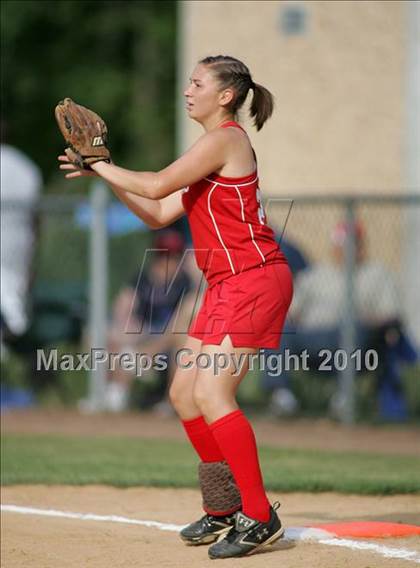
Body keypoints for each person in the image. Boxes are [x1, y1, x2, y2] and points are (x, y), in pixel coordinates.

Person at [59, 54, 293, 559]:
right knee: (185, 392)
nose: (188, 90)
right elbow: (158, 211)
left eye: (197, 83)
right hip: (226, 284)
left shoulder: (225, 139)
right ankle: (224, 506)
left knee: (212, 392)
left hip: (254, 279)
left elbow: (158, 184)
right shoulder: (207, 148)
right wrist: (104, 173)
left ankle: (259, 516)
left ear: (226, 95)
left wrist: (101, 162)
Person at [263, 220, 417, 421]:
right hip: (312, 339)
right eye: (341, 244)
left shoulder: (377, 274)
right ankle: (282, 397)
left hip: (356, 342)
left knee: (354, 331)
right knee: (278, 327)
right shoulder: (316, 274)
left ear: (362, 247)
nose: (345, 250)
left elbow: (391, 317)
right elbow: (291, 311)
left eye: (352, 244)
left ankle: (344, 398)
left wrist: (365, 322)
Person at [105, 229, 192, 413]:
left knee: (180, 337)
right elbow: (123, 305)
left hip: (169, 336)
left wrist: (148, 351)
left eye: (174, 256)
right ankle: (115, 395)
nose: (168, 262)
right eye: (163, 255)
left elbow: (179, 322)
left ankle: (170, 402)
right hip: (145, 331)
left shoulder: (185, 282)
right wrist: (125, 324)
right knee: (116, 333)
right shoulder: (143, 277)